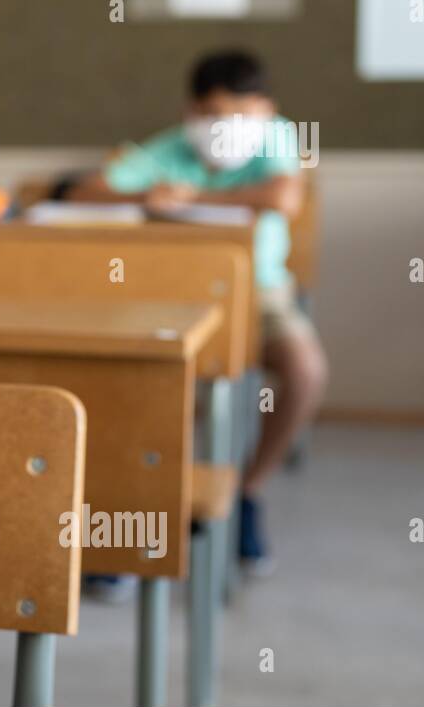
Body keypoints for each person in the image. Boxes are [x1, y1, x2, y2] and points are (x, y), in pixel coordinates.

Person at [71, 50, 328, 576]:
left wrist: (194, 195)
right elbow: (85, 190)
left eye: (240, 113)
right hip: (174, 299)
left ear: (264, 108)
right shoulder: (169, 148)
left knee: (307, 371)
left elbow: (285, 198)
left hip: (261, 294)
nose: (226, 126)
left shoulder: (279, 136)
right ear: (193, 111)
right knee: (150, 389)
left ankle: (244, 494)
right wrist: (150, 193)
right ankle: (138, 520)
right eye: (213, 114)